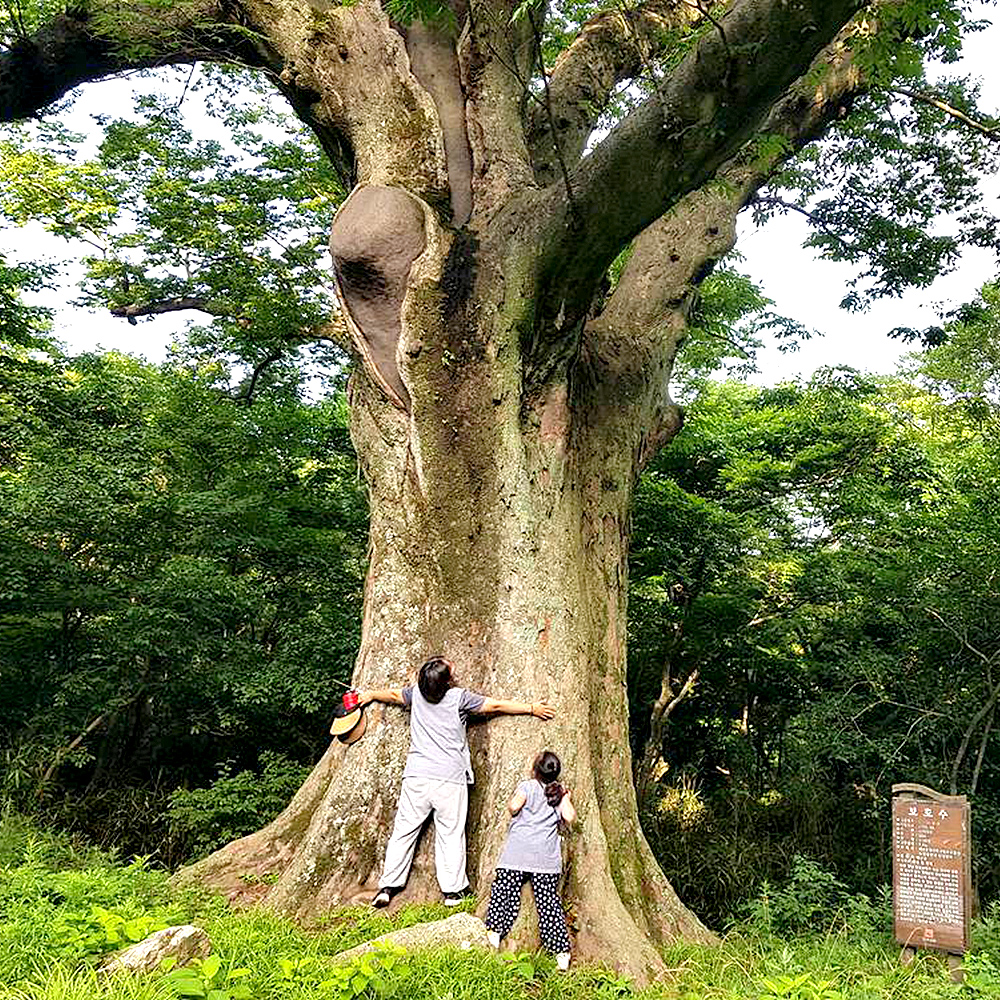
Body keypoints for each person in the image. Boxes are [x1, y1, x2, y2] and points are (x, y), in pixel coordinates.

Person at [360, 656, 555, 907]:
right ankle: (453, 892)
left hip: (417, 777)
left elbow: (392, 695)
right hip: (449, 779)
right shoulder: (459, 698)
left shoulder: (415, 695)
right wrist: (531, 708)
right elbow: (494, 706)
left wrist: (369, 695)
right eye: (449, 668)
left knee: (403, 832)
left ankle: (387, 887)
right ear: (447, 682)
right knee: (450, 834)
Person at [484, 750, 576, 971]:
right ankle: (561, 953)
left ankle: (495, 933)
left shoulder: (527, 786)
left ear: (535, 770)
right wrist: (567, 798)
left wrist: (518, 801)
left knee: (504, 892)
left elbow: (514, 807)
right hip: (545, 860)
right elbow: (570, 817)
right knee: (549, 905)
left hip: (517, 855)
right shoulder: (559, 793)